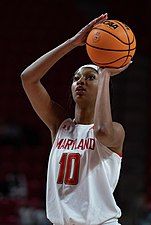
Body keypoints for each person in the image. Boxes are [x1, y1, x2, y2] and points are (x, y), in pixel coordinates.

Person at [21, 13, 130, 225]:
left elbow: (102, 132)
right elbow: (28, 78)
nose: (81, 81)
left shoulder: (116, 131)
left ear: (103, 87)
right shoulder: (60, 124)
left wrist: (105, 72)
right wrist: (72, 43)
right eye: (76, 78)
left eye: (90, 77)